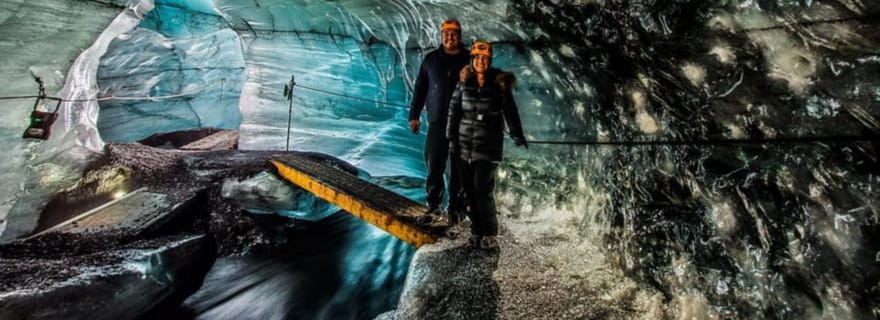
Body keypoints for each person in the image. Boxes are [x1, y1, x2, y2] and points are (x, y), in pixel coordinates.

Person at [447, 41, 528, 250]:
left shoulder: (498, 83)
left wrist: (517, 134)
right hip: (465, 146)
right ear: (472, 60)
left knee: (482, 189)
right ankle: (476, 231)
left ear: (489, 61)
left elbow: (510, 111)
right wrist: (451, 137)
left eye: (484, 58)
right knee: (470, 191)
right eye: (477, 58)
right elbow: (454, 110)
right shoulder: (464, 82)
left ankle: (490, 233)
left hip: (488, 147)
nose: (480, 62)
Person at [409, 18, 471, 226]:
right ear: (441, 36)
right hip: (436, 123)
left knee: (459, 171)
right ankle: (434, 208)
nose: (449, 37)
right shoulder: (431, 60)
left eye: (453, 33)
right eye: (445, 33)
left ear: (459, 36)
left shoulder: (470, 59)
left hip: (462, 125)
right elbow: (420, 88)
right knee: (434, 166)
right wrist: (414, 115)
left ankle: (457, 213)